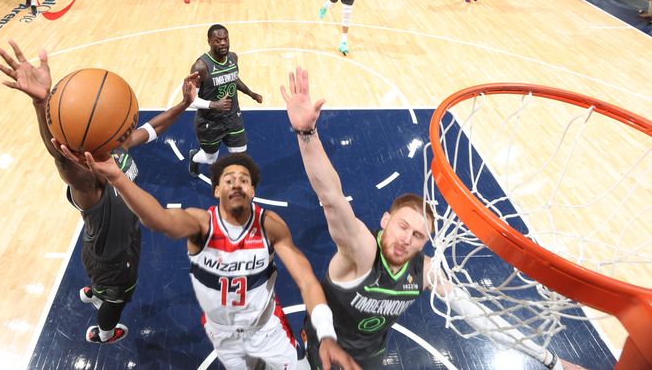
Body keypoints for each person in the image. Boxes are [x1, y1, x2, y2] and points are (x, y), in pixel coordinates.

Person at [280, 67, 571, 369]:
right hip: (324, 350)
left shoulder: (424, 271)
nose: (407, 238)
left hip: (368, 358)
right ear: (384, 221)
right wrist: (307, 134)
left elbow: (478, 316)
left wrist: (550, 360)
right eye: (402, 226)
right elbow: (331, 198)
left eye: (418, 235)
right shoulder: (361, 251)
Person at [56, 144, 361, 370]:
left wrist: (327, 334)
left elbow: (306, 280)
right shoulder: (201, 224)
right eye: (228, 179)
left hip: (267, 329)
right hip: (223, 335)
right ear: (215, 190)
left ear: (253, 189)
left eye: (244, 179)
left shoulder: (271, 225)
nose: (236, 183)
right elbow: (160, 220)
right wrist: (119, 180)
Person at [0, 40, 199, 345]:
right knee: (117, 300)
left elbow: (152, 129)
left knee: (102, 279)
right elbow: (61, 157)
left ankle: (95, 290)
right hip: (114, 260)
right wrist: (41, 103)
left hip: (103, 249)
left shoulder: (115, 148)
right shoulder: (89, 181)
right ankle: (103, 332)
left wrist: (183, 104)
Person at [187, 24, 262, 177]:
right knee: (210, 159)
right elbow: (190, 99)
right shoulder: (200, 66)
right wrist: (214, 104)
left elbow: (234, 79)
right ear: (209, 41)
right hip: (210, 123)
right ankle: (194, 157)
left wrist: (251, 93)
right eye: (218, 40)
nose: (223, 43)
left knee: (240, 159)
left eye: (225, 39)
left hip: (233, 118)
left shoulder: (233, 57)